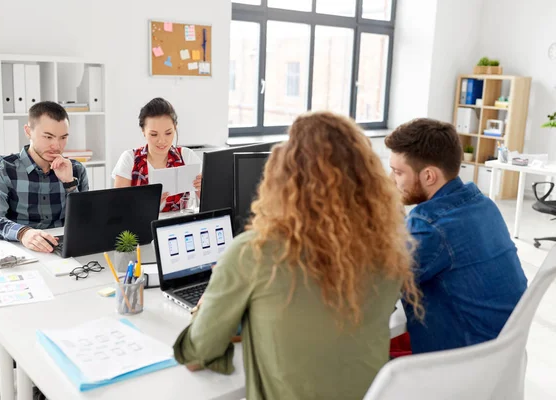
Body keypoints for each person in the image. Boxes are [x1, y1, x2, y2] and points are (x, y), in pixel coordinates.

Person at [172, 111, 423, 399]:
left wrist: (210, 299)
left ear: (281, 178)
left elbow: (195, 356)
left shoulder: (252, 253)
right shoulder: (387, 250)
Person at [385, 118, 527, 354]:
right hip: (503, 350)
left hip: (459, 360)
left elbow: (375, 286)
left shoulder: (431, 226)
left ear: (429, 176)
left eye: (398, 172)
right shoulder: (482, 204)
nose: (391, 180)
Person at [0, 101, 89, 252]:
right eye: (48, 137)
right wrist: (23, 233)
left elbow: (86, 222)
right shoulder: (1, 167)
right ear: (28, 132)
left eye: (63, 137)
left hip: (55, 249)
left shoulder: (76, 169)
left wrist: (69, 184)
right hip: (11, 248)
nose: (57, 146)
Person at [111, 97, 202, 212]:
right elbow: (117, 209)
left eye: (168, 133)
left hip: (177, 227)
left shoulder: (187, 156)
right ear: (143, 131)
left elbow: (210, 204)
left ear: (175, 128)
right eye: (154, 134)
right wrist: (148, 205)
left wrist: (204, 187)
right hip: (141, 227)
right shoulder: (130, 159)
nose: (162, 141)